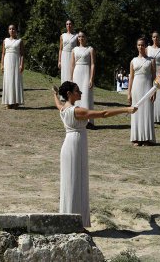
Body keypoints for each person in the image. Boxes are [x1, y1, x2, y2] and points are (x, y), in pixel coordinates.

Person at [53, 81, 136, 227]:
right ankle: (73, 222)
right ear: (69, 94)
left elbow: (58, 104)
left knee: (73, 182)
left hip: (70, 145)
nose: (80, 93)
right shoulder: (76, 111)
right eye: (77, 91)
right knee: (74, 183)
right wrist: (126, 110)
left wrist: (54, 94)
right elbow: (103, 114)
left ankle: (72, 221)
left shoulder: (63, 109)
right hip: (75, 146)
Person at [128, 37, 156, 146]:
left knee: (147, 112)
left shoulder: (151, 60)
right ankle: (137, 138)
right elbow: (131, 77)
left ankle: (147, 138)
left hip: (148, 87)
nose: (141, 47)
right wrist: (129, 93)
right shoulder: (133, 61)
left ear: (145, 46)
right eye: (139, 45)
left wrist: (154, 91)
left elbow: (155, 77)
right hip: (136, 88)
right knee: (136, 111)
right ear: (137, 46)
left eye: (142, 45)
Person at [71, 31, 95, 128]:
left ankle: (89, 121)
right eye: (79, 37)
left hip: (86, 72)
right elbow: (72, 65)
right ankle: (78, 119)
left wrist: (91, 78)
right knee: (77, 96)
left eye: (83, 36)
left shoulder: (90, 49)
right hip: (77, 72)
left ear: (86, 38)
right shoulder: (74, 50)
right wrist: (71, 79)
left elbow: (93, 64)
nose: (81, 38)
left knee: (87, 96)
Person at [146, 31, 160, 123]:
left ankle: (159, 117)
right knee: (150, 92)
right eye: (154, 37)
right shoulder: (148, 48)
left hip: (159, 71)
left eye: (157, 37)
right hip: (150, 71)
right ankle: (150, 115)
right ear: (152, 38)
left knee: (159, 94)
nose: (155, 38)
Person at [1, 24, 24, 109]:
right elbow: (3, 53)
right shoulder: (5, 40)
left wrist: (22, 64)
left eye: (13, 29)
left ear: (15, 31)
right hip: (7, 62)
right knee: (8, 81)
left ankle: (15, 102)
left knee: (15, 81)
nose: (12, 30)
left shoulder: (19, 41)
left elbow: (22, 54)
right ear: (8, 30)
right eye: (10, 29)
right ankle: (8, 102)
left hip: (16, 62)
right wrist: (2, 65)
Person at [58, 19, 78, 84]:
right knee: (64, 73)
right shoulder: (62, 36)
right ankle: (64, 91)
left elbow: (78, 48)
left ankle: (72, 91)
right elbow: (60, 49)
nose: (68, 25)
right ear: (65, 26)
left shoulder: (76, 36)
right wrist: (59, 61)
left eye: (70, 24)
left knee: (72, 73)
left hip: (72, 56)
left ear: (73, 25)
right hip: (64, 56)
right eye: (67, 24)